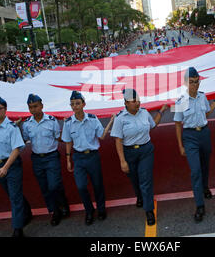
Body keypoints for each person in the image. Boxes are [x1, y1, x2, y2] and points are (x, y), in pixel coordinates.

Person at [110, 88, 168, 226]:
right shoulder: (120, 118)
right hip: (129, 152)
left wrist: (161, 111)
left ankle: (148, 210)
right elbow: (118, 140)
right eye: (134, 101)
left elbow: (153, 125)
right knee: (135, 179)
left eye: (138, 100)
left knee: (145, 180)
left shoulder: (144, 113)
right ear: (126, 103)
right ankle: (139, 196)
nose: (137, 103)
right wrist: (122, 161)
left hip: (145, 150)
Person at [174, 67, 215, 222]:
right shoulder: (180, 101)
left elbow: (206, 113)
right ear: (185, 83)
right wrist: (181, 145)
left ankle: (205, 186)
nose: (195, 85)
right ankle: (199, 205)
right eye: (191, 82)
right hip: (190, 137)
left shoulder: (203, 97)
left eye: (197, 82)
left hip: (204, 133)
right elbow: (177, 124)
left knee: (205, 165)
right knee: (195, 170)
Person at [0, 96, 32, 237]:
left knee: (14, 196)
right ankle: (27, 211)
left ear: (5, 110)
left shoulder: (11, 128)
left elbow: (16, 149)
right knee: (12, 193)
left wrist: (5, 167)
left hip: (10, 165)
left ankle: (17, 228)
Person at [61, 91, 114, 225]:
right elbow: (68, 142)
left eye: (77, 103)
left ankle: (101, 209)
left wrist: (111, 121)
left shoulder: (92, 119)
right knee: (81, 186)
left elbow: (101, 136)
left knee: (97, 185)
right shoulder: (68, 123)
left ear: (83, 104)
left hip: (92, 156)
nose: (75, 106)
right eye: (72, 104)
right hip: (78, 158)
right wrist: (68, 159)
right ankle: (89, 210)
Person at [21, 94, 70, 227]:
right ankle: (55, 211)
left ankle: (63, 203)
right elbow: (24, 139)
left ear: (42, 106)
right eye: (30, 107)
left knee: (54, 185)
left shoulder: (51, 120)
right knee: (45, 187)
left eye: (35, 106)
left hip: (51, 156)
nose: (33, 109)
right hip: (37, 158)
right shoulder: (26, 124)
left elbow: (58, 137)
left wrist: (68, 130)